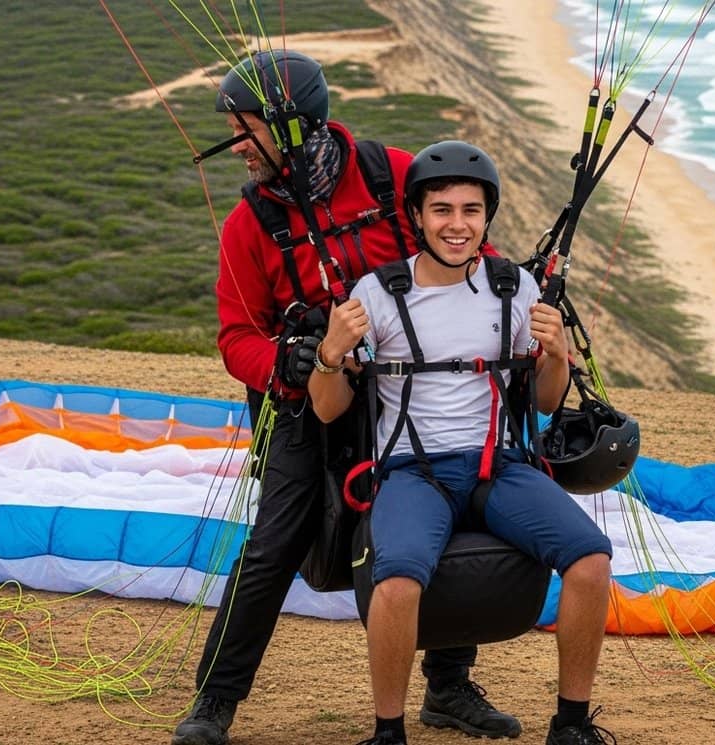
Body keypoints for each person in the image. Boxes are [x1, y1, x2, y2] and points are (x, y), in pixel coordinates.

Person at [173, 51, 520, 745]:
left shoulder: (389, 174)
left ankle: (448, 686)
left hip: (414, 388)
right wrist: (284, 361)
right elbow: (236, 336)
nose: (236, 146)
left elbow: (463, 246)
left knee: (451, 516)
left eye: (246, 130)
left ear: (292, 127)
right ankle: (216, 700)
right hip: (311, 397)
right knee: (276, 543)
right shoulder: (249, 225)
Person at [310, 140, 617, 745]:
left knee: (591, 561)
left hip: (499, 467)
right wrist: (330, 352)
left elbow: (547, 402)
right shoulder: (377, 294)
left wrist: (557, 355)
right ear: (417, 217)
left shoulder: (516, 289)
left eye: (471, 210)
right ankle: (389, 732)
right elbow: (327, 407)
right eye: (442, 210)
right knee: (397, 580)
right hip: (412, 471)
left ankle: (571, 725)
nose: (457, 225)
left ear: (487, 217)